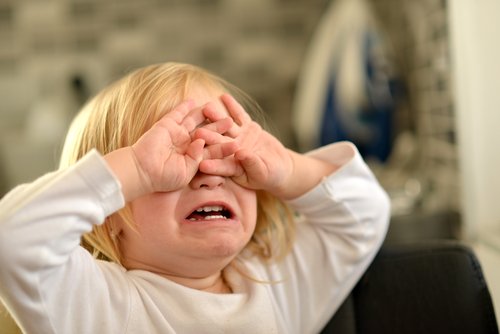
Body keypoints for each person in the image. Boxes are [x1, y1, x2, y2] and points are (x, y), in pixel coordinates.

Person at [0, 62, 390, 334]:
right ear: (109, 215)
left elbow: (365, 214)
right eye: (171, 165)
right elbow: (12, 240)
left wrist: (286, 168)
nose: (207, 175)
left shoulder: (277, 286)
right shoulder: (99, 305)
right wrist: (136, 168)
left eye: (225, 152)